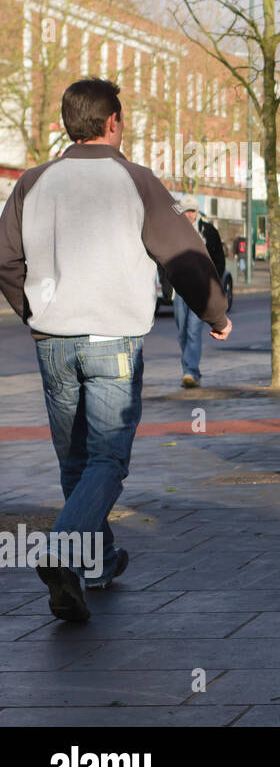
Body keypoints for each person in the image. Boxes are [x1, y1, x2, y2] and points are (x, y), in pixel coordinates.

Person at [0, 78, 231, 621]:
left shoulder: (32, 183)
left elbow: (6, 260)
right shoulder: (137, 180)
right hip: (114, 340)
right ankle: (61, 550)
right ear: (113, 123)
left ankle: (96, 564)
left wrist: (32, 312)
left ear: (66, 124)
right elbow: (185, 256)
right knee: (106, 459)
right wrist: (214, 312)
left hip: (53, 340)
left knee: (75, 460)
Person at [173, 193, 226, 388]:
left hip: (202, 289)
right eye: (185, 211)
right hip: (180, 289)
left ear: (197, 212)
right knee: (182, 332)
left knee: (194, 330)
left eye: (192, 211)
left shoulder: (208, 232)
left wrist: (214, 285)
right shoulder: (174, 232)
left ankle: (190, 371)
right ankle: (189, 367)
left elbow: (219, 259)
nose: (189, 215)